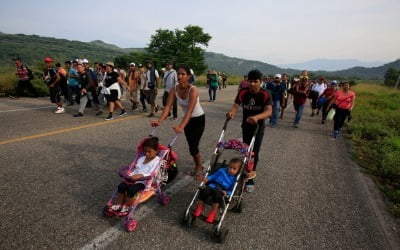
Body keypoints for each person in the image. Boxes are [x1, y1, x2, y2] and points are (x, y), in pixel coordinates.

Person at [151, 65, 205, 180]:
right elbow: (167, 107)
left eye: (183, 74)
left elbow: (190, 111)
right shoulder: (174, 89)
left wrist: (181, 126)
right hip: (187, 120)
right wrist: (159, 121)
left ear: (188, 76)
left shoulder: (193, 90)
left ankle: (199, 167)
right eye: (178, 74)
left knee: (193, 146)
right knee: (191, 146)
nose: (179, 76)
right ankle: (197, 165)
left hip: (198, 119)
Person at [226, 69, 272, 192]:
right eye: (250, 81)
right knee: (246, 151)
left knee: (254, 152)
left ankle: (250, 177)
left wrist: (256, 117)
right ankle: (244, 171)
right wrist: (231, 113)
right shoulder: (243, 92)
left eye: (255, 81)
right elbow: (236, 106)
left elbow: (268, 111)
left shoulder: (265, 93)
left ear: (260, 82)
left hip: (258, 126)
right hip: (246, 126)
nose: (252, 84)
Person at [109, 137, 160, 216]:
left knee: (131, 190)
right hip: (133, 178)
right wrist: (129, 173)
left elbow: (153, 173)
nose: (146, 153)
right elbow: (136, 168)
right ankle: (119, 204)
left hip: (144, 181)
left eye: (149, 152)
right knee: (121, 186)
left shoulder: (157, 161)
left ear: (156, 151)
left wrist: (140, 175)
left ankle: (126, 206)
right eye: (145, 151)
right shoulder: (142, 159)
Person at [192, 158, 242, 223]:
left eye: (234, 169)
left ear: (238, 171)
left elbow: (232, 189)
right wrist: (207, 178)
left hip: (222, 190)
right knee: (204, 190)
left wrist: (226, 193)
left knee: (217, 195)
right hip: (213, 185)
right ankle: (199, 207)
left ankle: (212, 213)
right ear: (228, 166)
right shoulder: (222, 170)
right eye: (230, 167)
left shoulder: (235, 179)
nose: (231, 170)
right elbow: (214, 176)